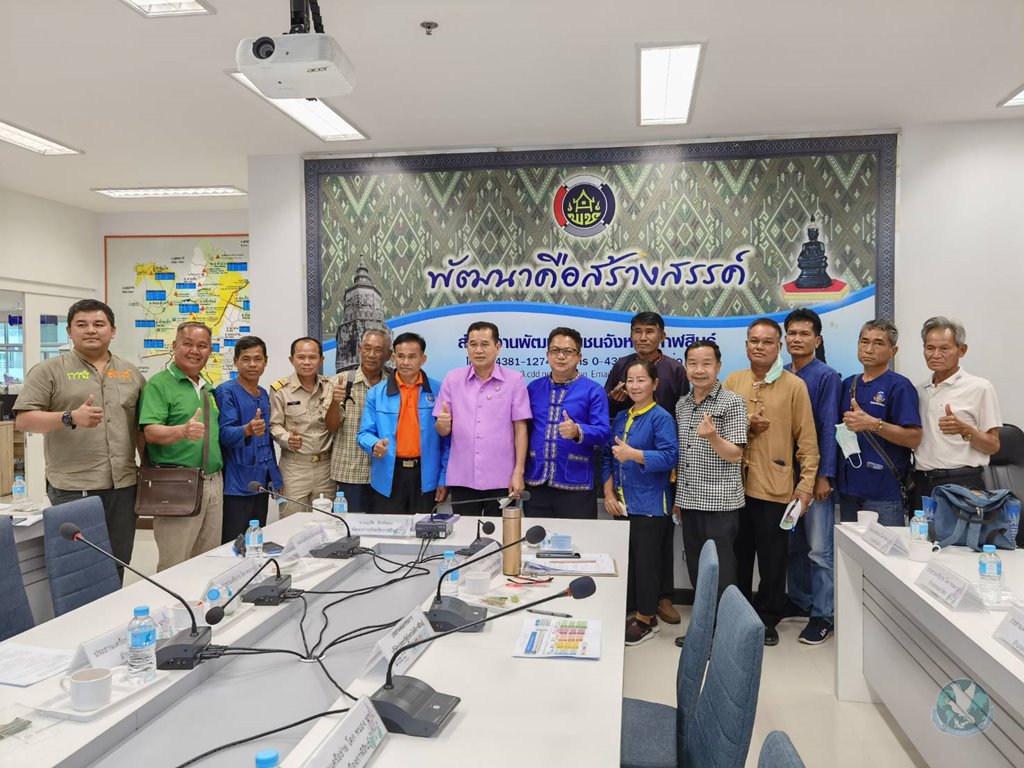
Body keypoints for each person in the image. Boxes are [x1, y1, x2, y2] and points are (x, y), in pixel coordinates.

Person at [13, 299, 145, 580]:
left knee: (119, 560)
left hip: (124, 486)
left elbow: (140, 429)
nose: (91, 330)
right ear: (69, 331)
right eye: (81, 324)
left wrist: (148, 471)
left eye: (99, 324)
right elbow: (24, 420)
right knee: (80, 566)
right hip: (74, 488)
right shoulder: (49, 370)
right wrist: (69, 417)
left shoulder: (131, 373)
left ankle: (112, 607)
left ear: (112, 330)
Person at [724, 318, 818, 646]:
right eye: (754, 341)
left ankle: (767, 618)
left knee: (773, 558)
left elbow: (807, 441)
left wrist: (805, 486)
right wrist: (746, 423)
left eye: (767, 341)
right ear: (746, 345)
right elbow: (720, 429)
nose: (759, 346)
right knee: (736, 556)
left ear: (779, 346)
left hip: (775, 486)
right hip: (733, 487)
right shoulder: (733, 381)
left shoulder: (794, 386)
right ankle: (737, 614)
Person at [605, 311, 689, 626]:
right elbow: (609, 415)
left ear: (661, 336)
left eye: (649, 331)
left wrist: (641, 456)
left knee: (657, 542)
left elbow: (683, 415)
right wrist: (615, 400)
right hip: (627, 475)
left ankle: (659, 600)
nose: (643, 337)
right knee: (635, 549)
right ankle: (637, 603)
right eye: (637, 331)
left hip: (660, 470)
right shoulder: (621, 366)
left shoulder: (675, 369)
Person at [673, 340, 746, 648]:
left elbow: (736, 454)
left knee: (723, 571)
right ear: (685, 366)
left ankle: (725, 636)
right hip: (690, 501)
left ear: (718, 366)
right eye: (693, 363)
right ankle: (703, 632)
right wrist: (678, 499)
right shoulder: (682, 404)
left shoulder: (732, 402)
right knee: (697, 568)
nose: (699, 370)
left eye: (706, 364)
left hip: (720, 502)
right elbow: (682, 457)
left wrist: (714, 436)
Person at [602, 359, 678, 645]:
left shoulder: (661, 418)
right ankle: (639, 612)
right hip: (622, 505)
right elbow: (608, 457)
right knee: (630, 563)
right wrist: (609, 494)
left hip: (650, 506)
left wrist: (635, 455)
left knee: (647, 565)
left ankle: (646, 620)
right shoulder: (621, 417)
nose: (635, 386)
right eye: (630, 380)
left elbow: (670, 457)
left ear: (654, 384)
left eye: (641, 380)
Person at [139, 322, 224, 571]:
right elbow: (150, 432)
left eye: (202, 346)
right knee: (175, 565)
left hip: (213, 482)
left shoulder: (206, 386)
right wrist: (182, 431)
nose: (194, 351)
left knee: (208, 561)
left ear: (210, 351)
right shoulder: (159, 384)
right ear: (175, 346)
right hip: (177, 484)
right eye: (187, 344)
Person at [782, 309, 842, 645]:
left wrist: (824, 476)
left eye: (804, 334)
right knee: (793, 546)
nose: (797, 339)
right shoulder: (779, 374)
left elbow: (829, 427)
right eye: (792, 333)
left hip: (814, 475)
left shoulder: (826, 376)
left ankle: (823, 614)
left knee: (819, 550)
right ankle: (800, 599)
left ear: (817, 340)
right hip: (783, 477)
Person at [434, 321, 531, 515]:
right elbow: (443, 430)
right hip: (462, 477)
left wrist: (518, 472)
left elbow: (520, 429)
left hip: (502, 478)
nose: (478, 350)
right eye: (473, 344)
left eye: (485, 344)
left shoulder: (514, 380)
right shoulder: (453, 378)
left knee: (502, 531)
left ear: (498, 347)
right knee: (464, 530)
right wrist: (442, 424)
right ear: (466, 347)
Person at [838, 320, 922, 527]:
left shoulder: (900, 386)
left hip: (884, 492)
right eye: (864, 341)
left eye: (878, 343)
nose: (869, 349)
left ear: (893, 351)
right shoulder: (848, 384)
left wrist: (874, 424)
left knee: (886, 547)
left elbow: (914, 438)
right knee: (850, 546)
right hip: (849, 489)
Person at [357, 332, 449, 514]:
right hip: (388, 476)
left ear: (423, 359)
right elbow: (364, 433)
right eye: (401, 356)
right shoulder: (376, 393)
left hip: (426, 476)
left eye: (412, 357)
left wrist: (443, 479)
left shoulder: (439, 390)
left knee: (423, 529)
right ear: (393, 357)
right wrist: (374, 444)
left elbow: (447, 441)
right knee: (388, 528)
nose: (405, 362)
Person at [914, 316, 1002, 504]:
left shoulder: (980, 387)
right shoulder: (918, 391)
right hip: (922, 482)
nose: (935, 354)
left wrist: (965, 430)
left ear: (962, 350)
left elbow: (993, 445)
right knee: (919, 525)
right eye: (930, 348)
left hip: (963, 482)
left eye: (944, 348)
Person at [524, 327, 610, 518]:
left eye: (568, 351)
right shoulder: (533, 388)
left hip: (576, 484)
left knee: (578, 537)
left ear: (579, 356)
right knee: (536, 536)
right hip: (536, 482)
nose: (561, 356)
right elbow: (523, 432)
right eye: (555, 350)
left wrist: (577, 431)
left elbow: (604, 432)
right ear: (547, 355)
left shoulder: (593, 390)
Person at [214, 336, 283, 543]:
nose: (252, 364)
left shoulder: (263, 393)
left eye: (257, 359)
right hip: (236, 485)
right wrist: (246, 430)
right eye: (246, 359)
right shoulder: (226, 391)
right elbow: (223, 434)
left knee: (256, 542)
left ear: (265, 362)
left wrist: (275, 478)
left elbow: (266, 441)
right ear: (235, 362)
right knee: (233, 544)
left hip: (260, 483)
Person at [270, 337, 337, 516]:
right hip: (294, 467)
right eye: (301, 357)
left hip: (326, 467)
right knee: (291, 521)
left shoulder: (330, 387)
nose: (306, 362)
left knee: (326, 521)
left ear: (321, 360)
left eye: (312, 357)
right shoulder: (280, 389)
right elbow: (274, 424)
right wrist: (287, 438)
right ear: (291, 359)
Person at [329, 329, 392, 513]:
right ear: (359, 349)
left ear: (388, 355)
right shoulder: (340, 382)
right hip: (351, 473)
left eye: (378, 350)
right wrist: (335, 403)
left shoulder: (393, 386)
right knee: (350, 526)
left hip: (384, 473)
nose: (371, 355)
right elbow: (331, 426)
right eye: (367, 348)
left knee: (385, 525)